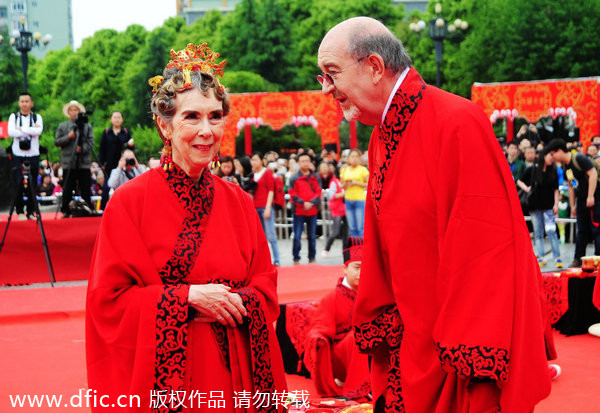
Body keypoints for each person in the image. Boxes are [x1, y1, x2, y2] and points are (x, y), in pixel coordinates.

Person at [318, 17, 551, 412]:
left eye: (331, 74)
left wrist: (465, 355)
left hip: (455, 356)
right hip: (410, 346)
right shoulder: (381, 136)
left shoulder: (457, 121)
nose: (326, 89)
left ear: (374, 67)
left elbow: (487, 251)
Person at [86, 43, 286, 411]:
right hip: (170, 384)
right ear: (164, 124)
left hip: (233, 378)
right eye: (192, 116)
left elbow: (266, 285)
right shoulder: (128, 203)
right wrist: (187, 299)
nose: (207, 131)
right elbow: (108, 303)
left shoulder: (239, 202)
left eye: (215, 116)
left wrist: (236, 301)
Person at [304, 236, 370, 400]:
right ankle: (358, 388)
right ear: (345, 268)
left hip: (367, 351)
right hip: (340, 357)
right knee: (359, 335)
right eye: (357, 267)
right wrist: (318, 338)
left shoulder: (370, 296)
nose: (362, 273)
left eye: (366, 268)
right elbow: (319, 327)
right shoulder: (332, 298)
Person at [545, 138, 600, 268]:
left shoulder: (579, 158)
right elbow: (571, 185)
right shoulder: (566, 165)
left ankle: (598, 260)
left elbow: (593, 174)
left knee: (597, 230)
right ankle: (578, 259)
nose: (553, 157)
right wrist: (573, 205)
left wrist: (591, 196)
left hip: (595, 199)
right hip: (581, 201)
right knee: (581, 231)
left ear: (559, 151)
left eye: (553, 154)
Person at [517, 152, 563, 268]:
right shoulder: (533, 169)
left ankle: (557, 257)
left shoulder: (553, 171)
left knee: (551, 231)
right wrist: (527, 189)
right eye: (549, 156)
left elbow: (556, 189)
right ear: (543, 157)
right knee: (538, 233)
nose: (551, 159)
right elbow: (519, 180)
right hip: (534, 205)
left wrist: (556, 203)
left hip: (548, 206)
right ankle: (541, 257)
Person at [55, 100, 94, 218]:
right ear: (68, 112)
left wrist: (82, 149)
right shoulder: (63, 126)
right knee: (67, 188)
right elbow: (57, 142)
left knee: (85, 187)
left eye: (76, 110)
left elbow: (91, 143)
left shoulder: (87, 126)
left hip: (84, 163)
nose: (74, 112)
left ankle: (87, 208)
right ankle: (66, 210)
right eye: (71, 110)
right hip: (68, 162)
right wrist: (68, 137)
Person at [7, 92, 43, 219]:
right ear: (18, 103)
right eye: (22, 101)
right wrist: (30, 130)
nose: (24, 104)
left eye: (27, 101)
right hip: (18, 154)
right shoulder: (14, 117)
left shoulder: (37, 117)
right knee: (18, 183)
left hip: (33, 153)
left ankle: (31, 211)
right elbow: (11, 132)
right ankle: (20, 211)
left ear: (31, 103)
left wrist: (21, 129)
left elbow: (38, 131)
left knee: (33, 183)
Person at [288, 152, 321, 265]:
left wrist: (311, 203)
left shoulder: (315, 176)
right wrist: (303, 203)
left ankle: (312, 257)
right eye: (302, 161)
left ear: (310, 162)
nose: (305, 163)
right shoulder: (293, 178)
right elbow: (292, 193)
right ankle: (296, 258)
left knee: (312, 236)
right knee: (297, 236)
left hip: (312, 210)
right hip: (298, 211)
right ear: (298, 163)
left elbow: (318, 192)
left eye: (307, 161)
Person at [98, 111, 134, 209]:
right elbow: (102, 149)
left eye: (119, 117)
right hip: (109, 164)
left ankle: (126, 207)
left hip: (123, 164)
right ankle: (103, 208)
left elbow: (131, 150)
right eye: (115, 117)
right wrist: (101, 163)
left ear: (122, 119)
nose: (117, 119)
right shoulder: (106, 133)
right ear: (111, 119)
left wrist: (131, 144)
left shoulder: (126, 132)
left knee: (124, 186)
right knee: (107, 186)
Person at [251, 151, 281, 266]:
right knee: (260, 236)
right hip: (255, 206)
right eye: (252, 160)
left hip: (265, 206)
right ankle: (264, 261)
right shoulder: (252, 174)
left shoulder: (267, 173)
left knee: (271, 235)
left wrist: (268, 207)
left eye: (255, 159)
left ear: (261, 161)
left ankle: (276, 259)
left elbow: (271, 190)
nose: (253, 162)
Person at [340, 149, 368, 236]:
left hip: (359, 200)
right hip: (348, 199)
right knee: (352, 228)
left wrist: (356, 183)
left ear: (359, 158)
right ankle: (354, 249)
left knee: (360, 227)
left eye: (356, 156)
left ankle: (361, 249)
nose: (354, 159)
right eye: (352, 156)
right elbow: (341, 185)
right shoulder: (345, 170)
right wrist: (346, 184)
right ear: (348, 158)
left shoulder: (363, 170)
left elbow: (368, 184)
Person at [322, 168, 346, 257]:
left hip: (345, 209)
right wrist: (343, 194)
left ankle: (345, 250)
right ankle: (326, 249)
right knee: (335, 231)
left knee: (346, 232)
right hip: (337, 209)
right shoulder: (334, 182)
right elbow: (331, 196)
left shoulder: (345, 182)